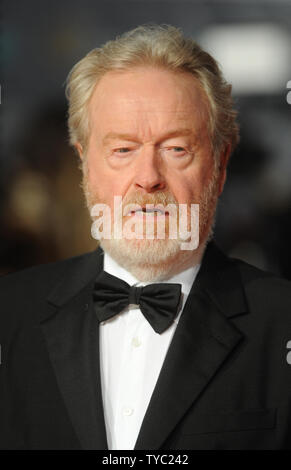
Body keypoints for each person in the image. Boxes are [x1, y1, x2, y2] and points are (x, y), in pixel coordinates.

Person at [0, 24, 291, 451]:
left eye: (176, 149)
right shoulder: (8, 315)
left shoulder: (282, 320)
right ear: (84, 165)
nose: (148, 179)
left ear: (221, 164)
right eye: (122, 150)